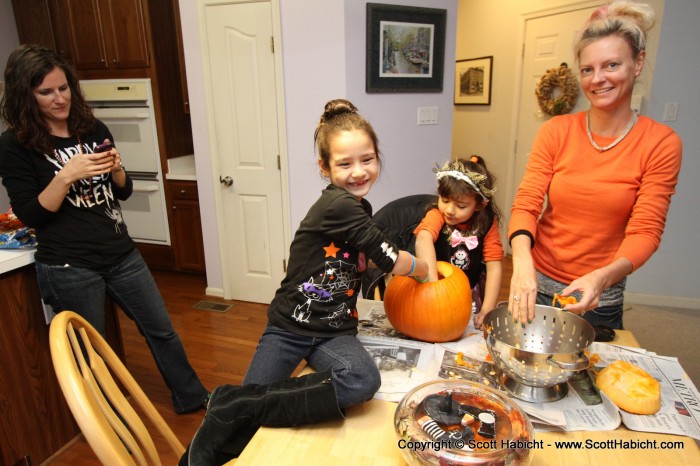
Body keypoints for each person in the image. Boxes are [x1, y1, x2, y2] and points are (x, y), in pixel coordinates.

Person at [181, 99, 429, 465]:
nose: (359, 171)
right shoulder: (337, 206)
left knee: (362, 381)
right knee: (240, 424)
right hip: (289, 329)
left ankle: (240, 401)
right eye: (344, 163)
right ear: (324, 167)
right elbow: (387, 257)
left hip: (334, 332)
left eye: (368, 159)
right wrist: (425, 268)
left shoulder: (357, 206)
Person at [0, 44, 209, 413]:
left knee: (161, 331)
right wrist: (66, 176)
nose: (59, 98)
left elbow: (122, 191)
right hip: (69, 266)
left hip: (121, 253)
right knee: (91, 351)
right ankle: (106, 419)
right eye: (46, 92)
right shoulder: (14, 145)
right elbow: (31, 213)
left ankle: (193, 398)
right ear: (25, 94)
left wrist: (116, 168)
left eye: (63, 88)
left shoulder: (91, 127)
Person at [508, 0, 682, 330]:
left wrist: (602, 279)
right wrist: (521, 262)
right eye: (587, 69)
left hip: (599, 296)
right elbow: (527, 204)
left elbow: (646, 230)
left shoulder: (660, 143)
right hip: (536, 288)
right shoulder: (555, 131)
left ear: (638, 62)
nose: (598, 79)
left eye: (611, 65)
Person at [414, 156, 504, 329]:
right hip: (434, 286)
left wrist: (487, 310)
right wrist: (433, 287)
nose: (449, 210)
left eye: (461, 206)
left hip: (467, 293)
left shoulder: (487, 223)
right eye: (445, 200)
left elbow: (494, 266)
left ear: (479, 206)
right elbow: (423, 239)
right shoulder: (436, 215)